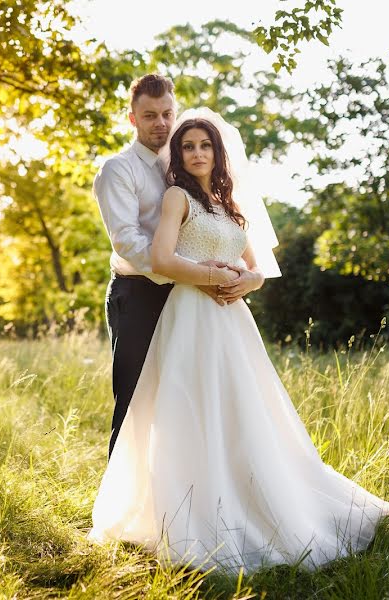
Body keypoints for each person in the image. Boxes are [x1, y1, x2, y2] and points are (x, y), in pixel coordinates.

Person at [87, 109, 389, 574]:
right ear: (179, 152)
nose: (196, 153)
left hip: (233, 318)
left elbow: (256, 268)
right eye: (188, 146)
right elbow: (162, 258)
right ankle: (187, 507)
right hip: (192, 313)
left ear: (218, 152)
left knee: (244, 407)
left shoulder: (229, 203)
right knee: (191, 406)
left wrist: (245, 283)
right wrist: (215, 276)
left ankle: (253, 492)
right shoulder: (176, 197)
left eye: (204, 146)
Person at [92, 74, 264, 459]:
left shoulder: (185, 162)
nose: (161, 123)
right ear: (133, 118)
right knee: (135, 398)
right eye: (150, 115)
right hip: (138, 293)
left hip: (187, 298)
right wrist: (195, 273)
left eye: (167, 113)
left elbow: (214, 229)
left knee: (183, 400)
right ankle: (123, 504)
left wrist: (240, 277)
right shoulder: (118, 170)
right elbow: (128, 241)